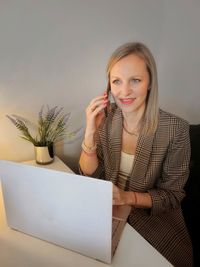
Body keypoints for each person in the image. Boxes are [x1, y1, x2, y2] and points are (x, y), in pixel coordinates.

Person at [79, 42, 193, 267]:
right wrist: (90, 131)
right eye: (116, 82)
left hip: (152, 219)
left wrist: (126, 198)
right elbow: (90, 175)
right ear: (108, 87)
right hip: (107, 213)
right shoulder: (107, 118)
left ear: (150, 83)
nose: (124, 92)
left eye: (135, 80)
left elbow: (172, 196)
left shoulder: (175, 130)